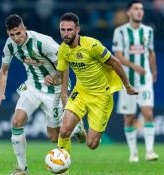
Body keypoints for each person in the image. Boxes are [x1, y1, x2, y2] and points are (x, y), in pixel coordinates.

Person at [0, 14, 86, 175]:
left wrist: (63, 93)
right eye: (12, 35)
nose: (16, 38)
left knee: (53, 137)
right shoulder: (10, 45)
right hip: (33, 87)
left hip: (55, 90)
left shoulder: (43, 43)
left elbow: (64, 67)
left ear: (24, 29)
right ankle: (22, 169)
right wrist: (1, 93)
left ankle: (76, 127)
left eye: (18, 33)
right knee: (16, 122)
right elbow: (3, 71)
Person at [45, 12, 137, 169]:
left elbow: (115, 62)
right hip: (81, 92)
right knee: (65, 131)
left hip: (102, 97)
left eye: (69, 30)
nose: (65, 33)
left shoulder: (92, 46)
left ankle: (90, 134)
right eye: (62, 29)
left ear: (78, 29)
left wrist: (127, 86)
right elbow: (61, 73)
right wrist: (53, 78)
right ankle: (62, 170)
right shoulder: (63, 50)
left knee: (92, 144)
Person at [112, 0, 159, 162]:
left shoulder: (148, 31)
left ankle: (150, 151)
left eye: (141, 9)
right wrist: (134, 66)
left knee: (148, 113)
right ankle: (133, 153)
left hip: (144, 79)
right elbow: (117, 56)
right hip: (127, 81)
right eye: (136, 9)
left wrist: (154, 71)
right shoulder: (120, 32)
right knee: (129, 118)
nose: (140, 11)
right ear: (129, 12)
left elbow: (151, 52)